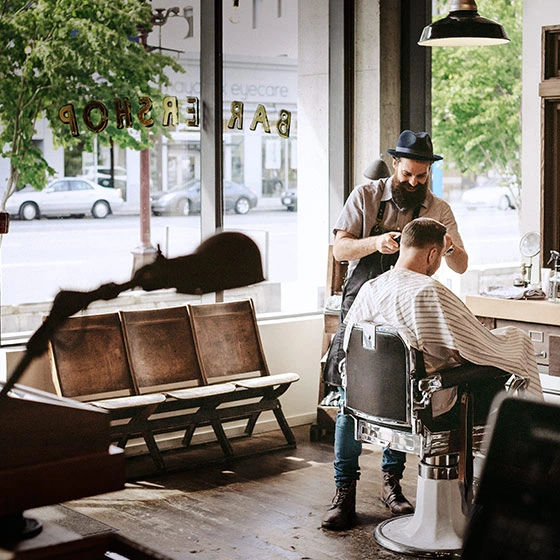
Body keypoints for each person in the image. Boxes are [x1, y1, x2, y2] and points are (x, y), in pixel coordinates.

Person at [322, 130, 469, 531]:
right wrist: (375, 244)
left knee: (403, 393)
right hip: (365, 307)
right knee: (352, 398)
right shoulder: (366, 196)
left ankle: (392, 485)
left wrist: (448, 245)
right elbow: (340, 250)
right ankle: (344, 492)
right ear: (395, 166)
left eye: (422, 177)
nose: (414, 183)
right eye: (408, 175)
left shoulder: (437, 208)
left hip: (410, 312)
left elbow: (461, 266)